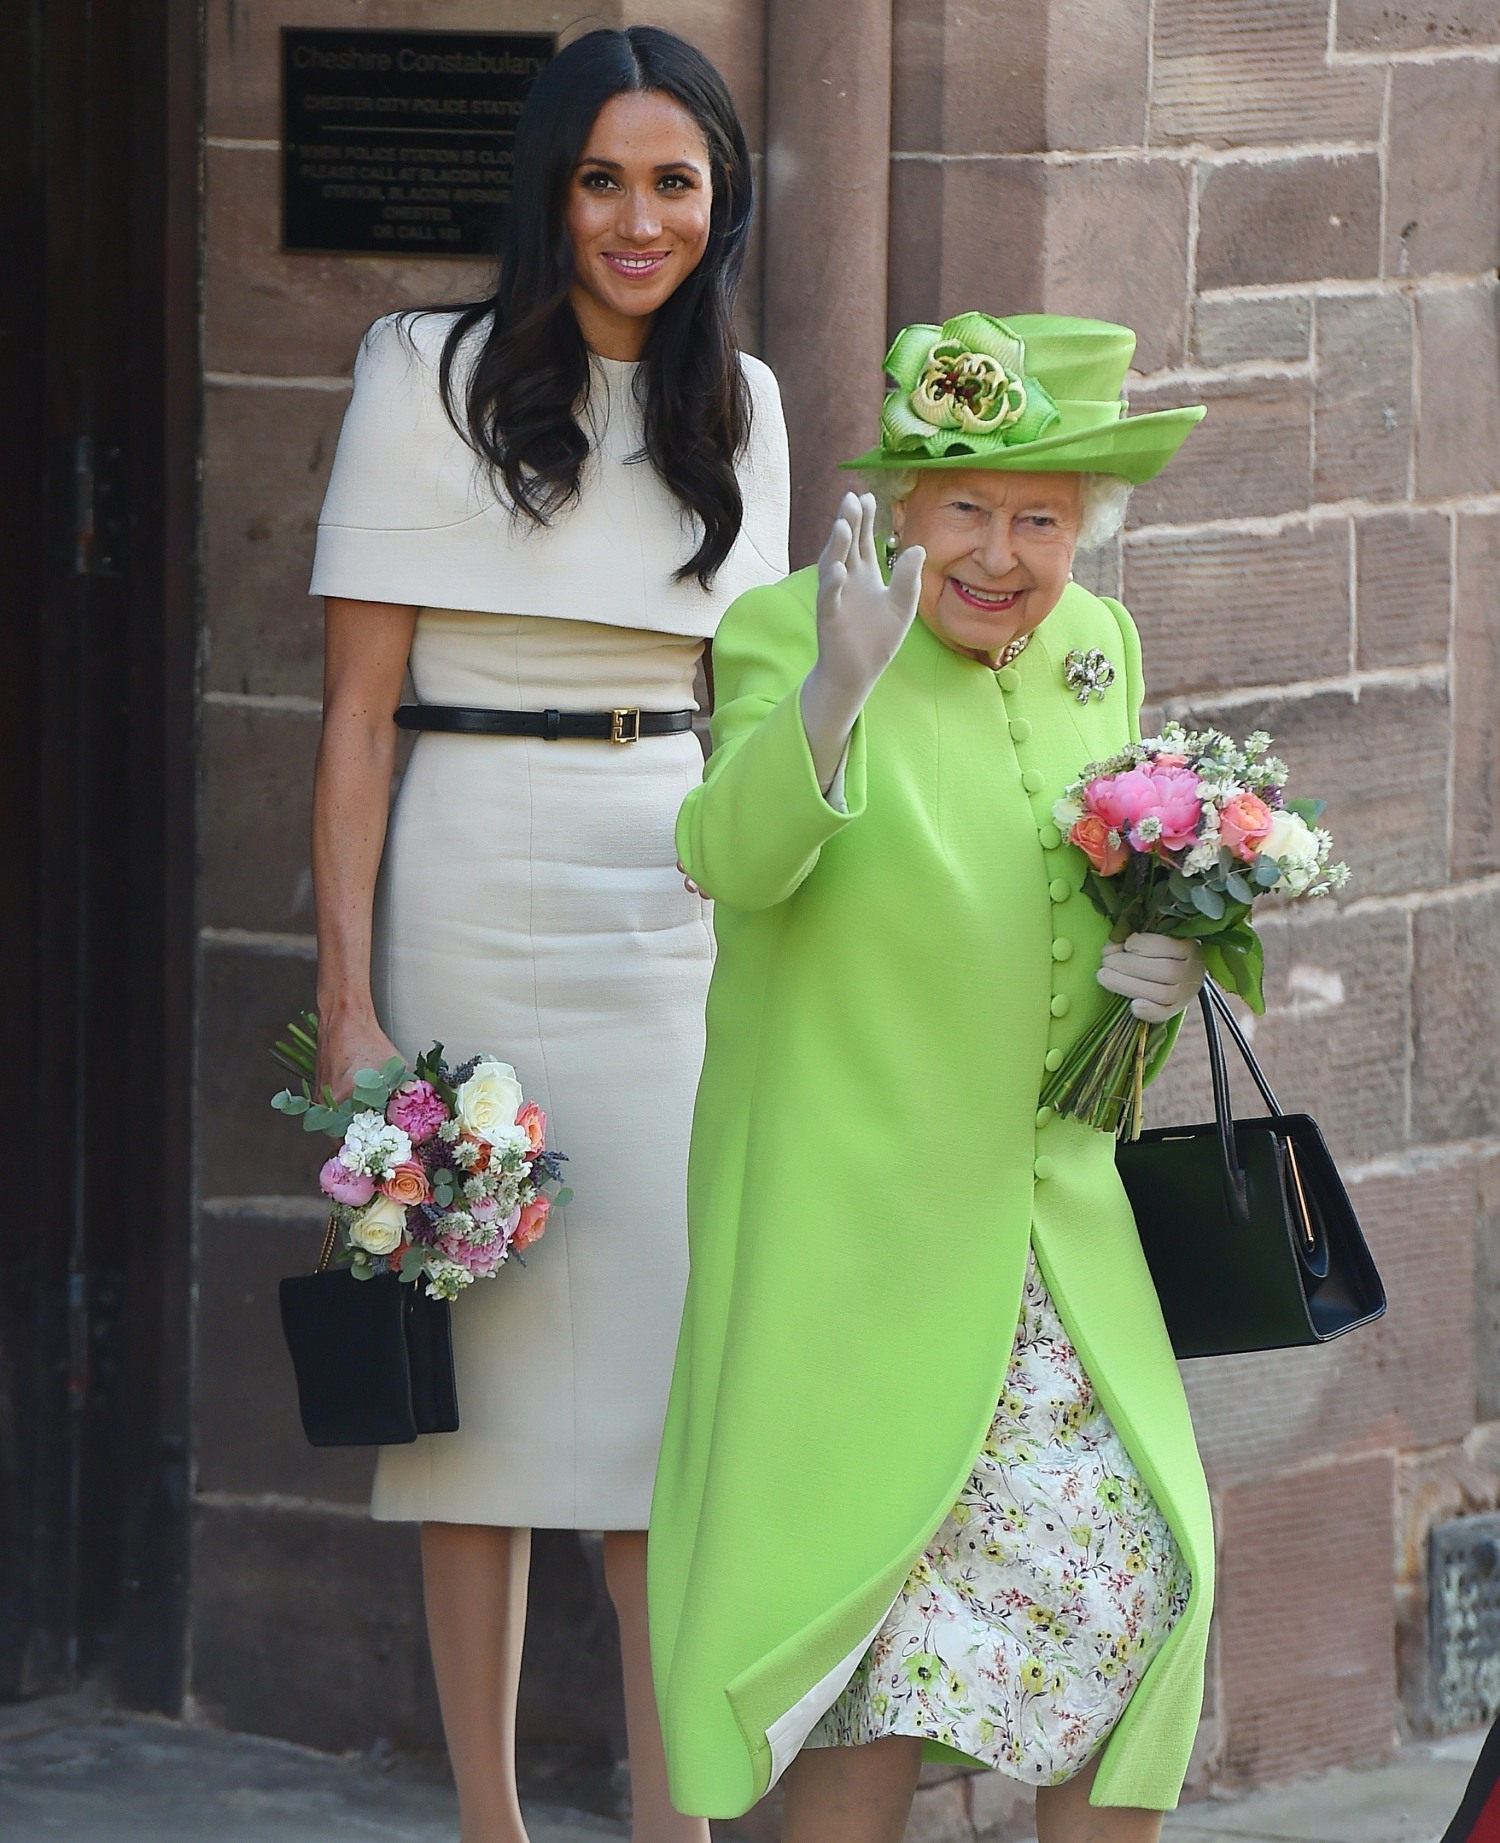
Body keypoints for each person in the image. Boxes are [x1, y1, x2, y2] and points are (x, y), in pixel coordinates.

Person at [307, 27, 788, 1843]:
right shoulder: (420, 373)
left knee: (671, 1415)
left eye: (674, 180)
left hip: (666, 919)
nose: (638, 217)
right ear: (547, 189)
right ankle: (490, 1827)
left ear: (717, 198)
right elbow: (355, 712)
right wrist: (347, 1003)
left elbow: (745, 727)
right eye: (603, 178)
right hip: (467, 887)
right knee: (473, 1418)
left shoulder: (737, 404)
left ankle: (677, 1829)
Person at [649, 313, 1211, 1843]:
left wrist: (1172, 975)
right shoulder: (796, 629)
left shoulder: (1101, 643)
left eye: (1041, 515)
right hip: (864, 1261)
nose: (1001, 551)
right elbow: (724, 857)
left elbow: (1127, 887)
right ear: (903, 508)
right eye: (967, 507)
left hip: (1054, 1254)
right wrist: (834, 694)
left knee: (1138, 1605)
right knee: (868, 1653)